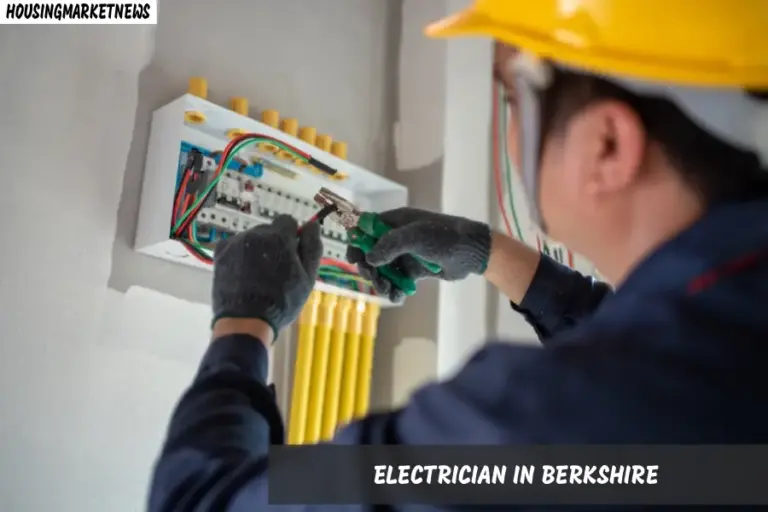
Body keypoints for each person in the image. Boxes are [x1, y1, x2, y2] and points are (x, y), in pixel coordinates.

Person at [149, 0, 768, 509]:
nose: (512, 130)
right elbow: (645, 351)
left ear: (606, 144)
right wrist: (484, 250)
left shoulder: (536, 427)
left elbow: (199, 501)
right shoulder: (726, 334)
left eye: (513, 98)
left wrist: (242, 326)